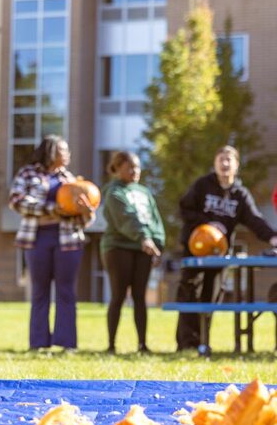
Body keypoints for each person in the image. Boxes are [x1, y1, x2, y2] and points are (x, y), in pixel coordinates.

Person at [175, 145, 277, 351]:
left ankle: (203, 341)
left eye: (229, 160)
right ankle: (187, 343)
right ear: (215, 163)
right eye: (221, 159)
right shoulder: (202, 185)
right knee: (190, 292)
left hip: (219, 253)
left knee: (212, 295)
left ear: (236, 165)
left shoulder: (240, 194)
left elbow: (254, 219)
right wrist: (207, 223)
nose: (225, 163)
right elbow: (185, 208)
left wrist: (273, 237)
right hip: (195, 248)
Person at [9, 135, 95, 351]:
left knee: (66, 291)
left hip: (68, 240)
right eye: (63, 150)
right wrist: (51, 209)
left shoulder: (72, 180)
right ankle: (38, 343)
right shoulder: (28, 173)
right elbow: (17, 201)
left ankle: (67, 343)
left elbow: (83, 219)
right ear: (50, 152)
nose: (68, 154)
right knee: (40, 290)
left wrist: (87, 213)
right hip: (37, 239)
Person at [100, 152, 165, 354]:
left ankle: (142, 345)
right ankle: (111, 345)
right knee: (118, 295)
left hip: (143, 249)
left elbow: (154, 219)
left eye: (137, 167)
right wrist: (143, 237)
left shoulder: (144, 191)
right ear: (118, 168)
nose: (135, 171)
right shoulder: (114, 192)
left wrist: (157, 243)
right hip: (119, 247)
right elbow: (126, 218)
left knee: (140, 296)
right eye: (130, 168)